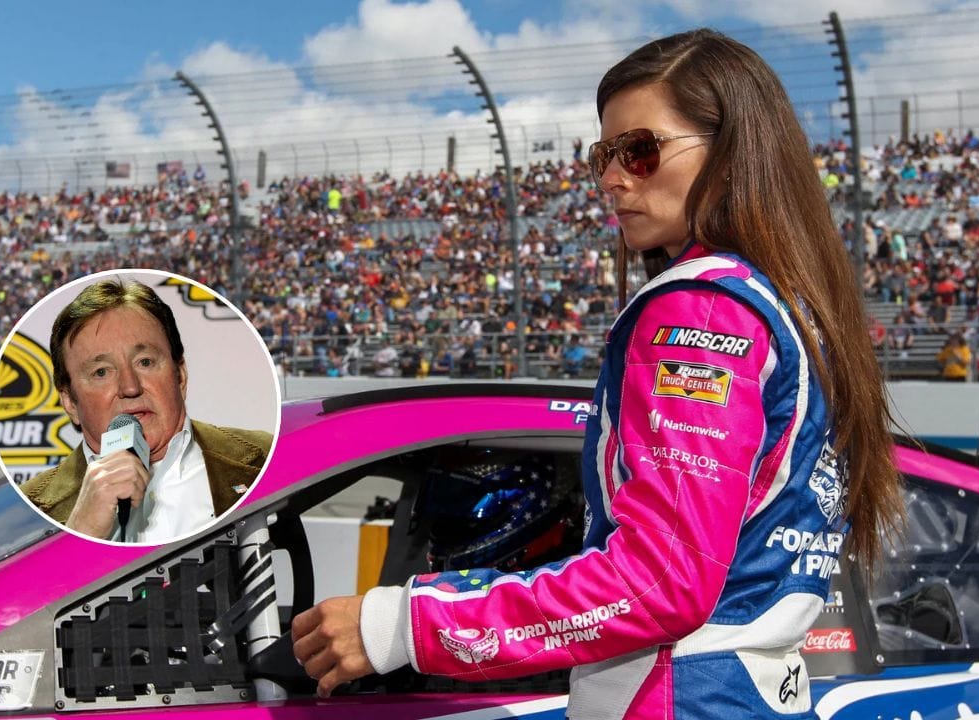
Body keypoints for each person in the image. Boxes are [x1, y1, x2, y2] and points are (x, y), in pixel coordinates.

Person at [290, 29, 901, 719]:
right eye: (604, 155)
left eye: (640, 151)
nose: (613, 178)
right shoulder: (788, 306)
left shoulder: (701, 309)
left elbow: (660, 581)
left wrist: (403, 625)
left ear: (731, 155)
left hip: (681, 696)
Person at [18, 278, 273, 543]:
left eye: (145, 362)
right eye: (101, 372)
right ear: (70, 402)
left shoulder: (266, 456)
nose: (130, 387)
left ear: (180, 376)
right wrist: (82, 531)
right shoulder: (26, 511)